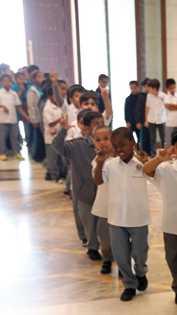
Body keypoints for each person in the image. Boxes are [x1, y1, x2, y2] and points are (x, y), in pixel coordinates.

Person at [93, 127, 151, 302]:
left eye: (123, 144)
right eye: (115, 146)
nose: (119, 149)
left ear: (133, 142)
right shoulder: (110, 165)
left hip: (138, 218)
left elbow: (154, 175)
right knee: (121, 256)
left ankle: (140, 272)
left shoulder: (142, 163)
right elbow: (98, 181)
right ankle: (129, 284)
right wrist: (100, 163)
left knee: (140, 252)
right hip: (116, 219)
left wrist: (147, 163)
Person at [53, 110, 112, 271]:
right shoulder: (77, 145)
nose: (100, 127)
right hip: (85, 192)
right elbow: (58, 146)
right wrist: (62, 130)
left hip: (106, 195)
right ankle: (92, 247)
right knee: (89, 224)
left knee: (105, 228)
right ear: (86, 128)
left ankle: (108, 255)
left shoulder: (111, 147)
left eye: (102, 123)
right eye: (96, 124)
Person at [142, 128, 177, 305]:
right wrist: (159, 159)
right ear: (173, 148)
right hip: (173, 226)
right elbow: (146, 170)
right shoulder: (166, 169)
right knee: (175, 262)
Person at [90, 124, 114, 274]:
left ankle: (124, 262)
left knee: (123, 238)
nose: (102, 142)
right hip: (104, 206)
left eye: (106, 138)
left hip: (121, 206)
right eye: (98, 140)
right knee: (104, 236)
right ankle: (107, 259)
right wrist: (100, 162)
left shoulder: (121, 158)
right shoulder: (97, 160)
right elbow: (97, 177)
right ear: (94, 143)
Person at [0, 73, 27, 161]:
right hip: (2, 120)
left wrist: (26, 116)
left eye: (8, 81)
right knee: (2, 138)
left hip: (13, 119)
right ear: (1, 82)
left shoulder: (13, 93)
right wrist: (2, 106)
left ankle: (16, 153)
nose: (7, 83)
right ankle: (3, 153)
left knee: (14, 137)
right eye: (5, 81)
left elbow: (18, 106)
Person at [42, 76, 67, 182]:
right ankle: (54, 176)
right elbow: (50, 123)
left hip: (61, 136)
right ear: (49, 96)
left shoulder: (63, 104)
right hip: (50, 137)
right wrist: (60, 120)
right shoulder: (47, 108)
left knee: (61, 157)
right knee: (52, 158)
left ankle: (62, 174)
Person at [144, 79, 166, 156]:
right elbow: (147, 108)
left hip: (161, 119)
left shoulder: (163, 96)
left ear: (154, 88)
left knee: (163, 138)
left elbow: (167, 107)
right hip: (151, 119)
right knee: (152, 139)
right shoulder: (149, 96)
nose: (148, 89)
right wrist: (146, 120)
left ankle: (163, 153)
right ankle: (153, 154)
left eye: (149, 87)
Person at [163, 78, 177, 147]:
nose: (173, 89)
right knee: (169, 141)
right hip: (169, 122)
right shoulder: (166, 96)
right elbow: (168, 106)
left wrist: (176, 106)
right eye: (171, 88)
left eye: (174, 87)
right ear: (167, 88)